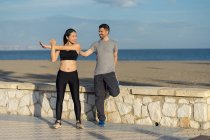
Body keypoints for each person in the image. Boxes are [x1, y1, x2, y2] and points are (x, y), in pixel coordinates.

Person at [39, 28, 84, 129]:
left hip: (73, 75)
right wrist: (52, 48)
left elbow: (60, 47)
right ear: (67, 37)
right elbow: (53, 59)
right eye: (73, 36)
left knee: (76, 98)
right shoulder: (59, 48)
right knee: (60, 98)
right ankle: (58, 121)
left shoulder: (77, 46)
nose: (75, 38)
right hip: (62, 75)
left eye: (76, 36)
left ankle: (78, 121)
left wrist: (51, 45)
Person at [79, 24, 120, 127]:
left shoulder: (114, 43)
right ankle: (101, 119)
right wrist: (78, 50)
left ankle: (113, 85)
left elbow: (115, 56)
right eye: (99, 31)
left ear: (106, 31)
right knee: (99, 97)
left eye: (101, 31)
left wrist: (113, 69)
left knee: (115, 92)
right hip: (98, 74)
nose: (99, 33)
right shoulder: (96, 44)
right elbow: (86, 54)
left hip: (110, 73)